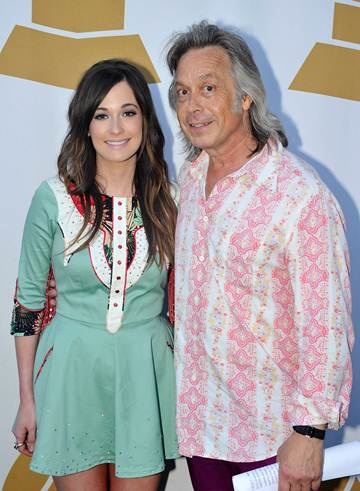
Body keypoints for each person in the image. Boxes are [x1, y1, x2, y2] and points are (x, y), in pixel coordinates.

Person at [166, 21, 354, 491]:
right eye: (183, 92)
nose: (192, 106)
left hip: (273, 439)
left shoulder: (300, 196)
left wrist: (309, 432)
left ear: (245, 96)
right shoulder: (189, 181)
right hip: (203, 427)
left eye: (208, 88)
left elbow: (326, 324)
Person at [11, 58, 179, 491]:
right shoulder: (52, 198)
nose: (116, 128)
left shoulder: (174, 201)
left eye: (128, 112)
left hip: (146, 375)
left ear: (145, 119)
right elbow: (27, 303)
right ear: (85, 125)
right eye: (101, 115)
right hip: (71, 374)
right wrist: (26, 400)